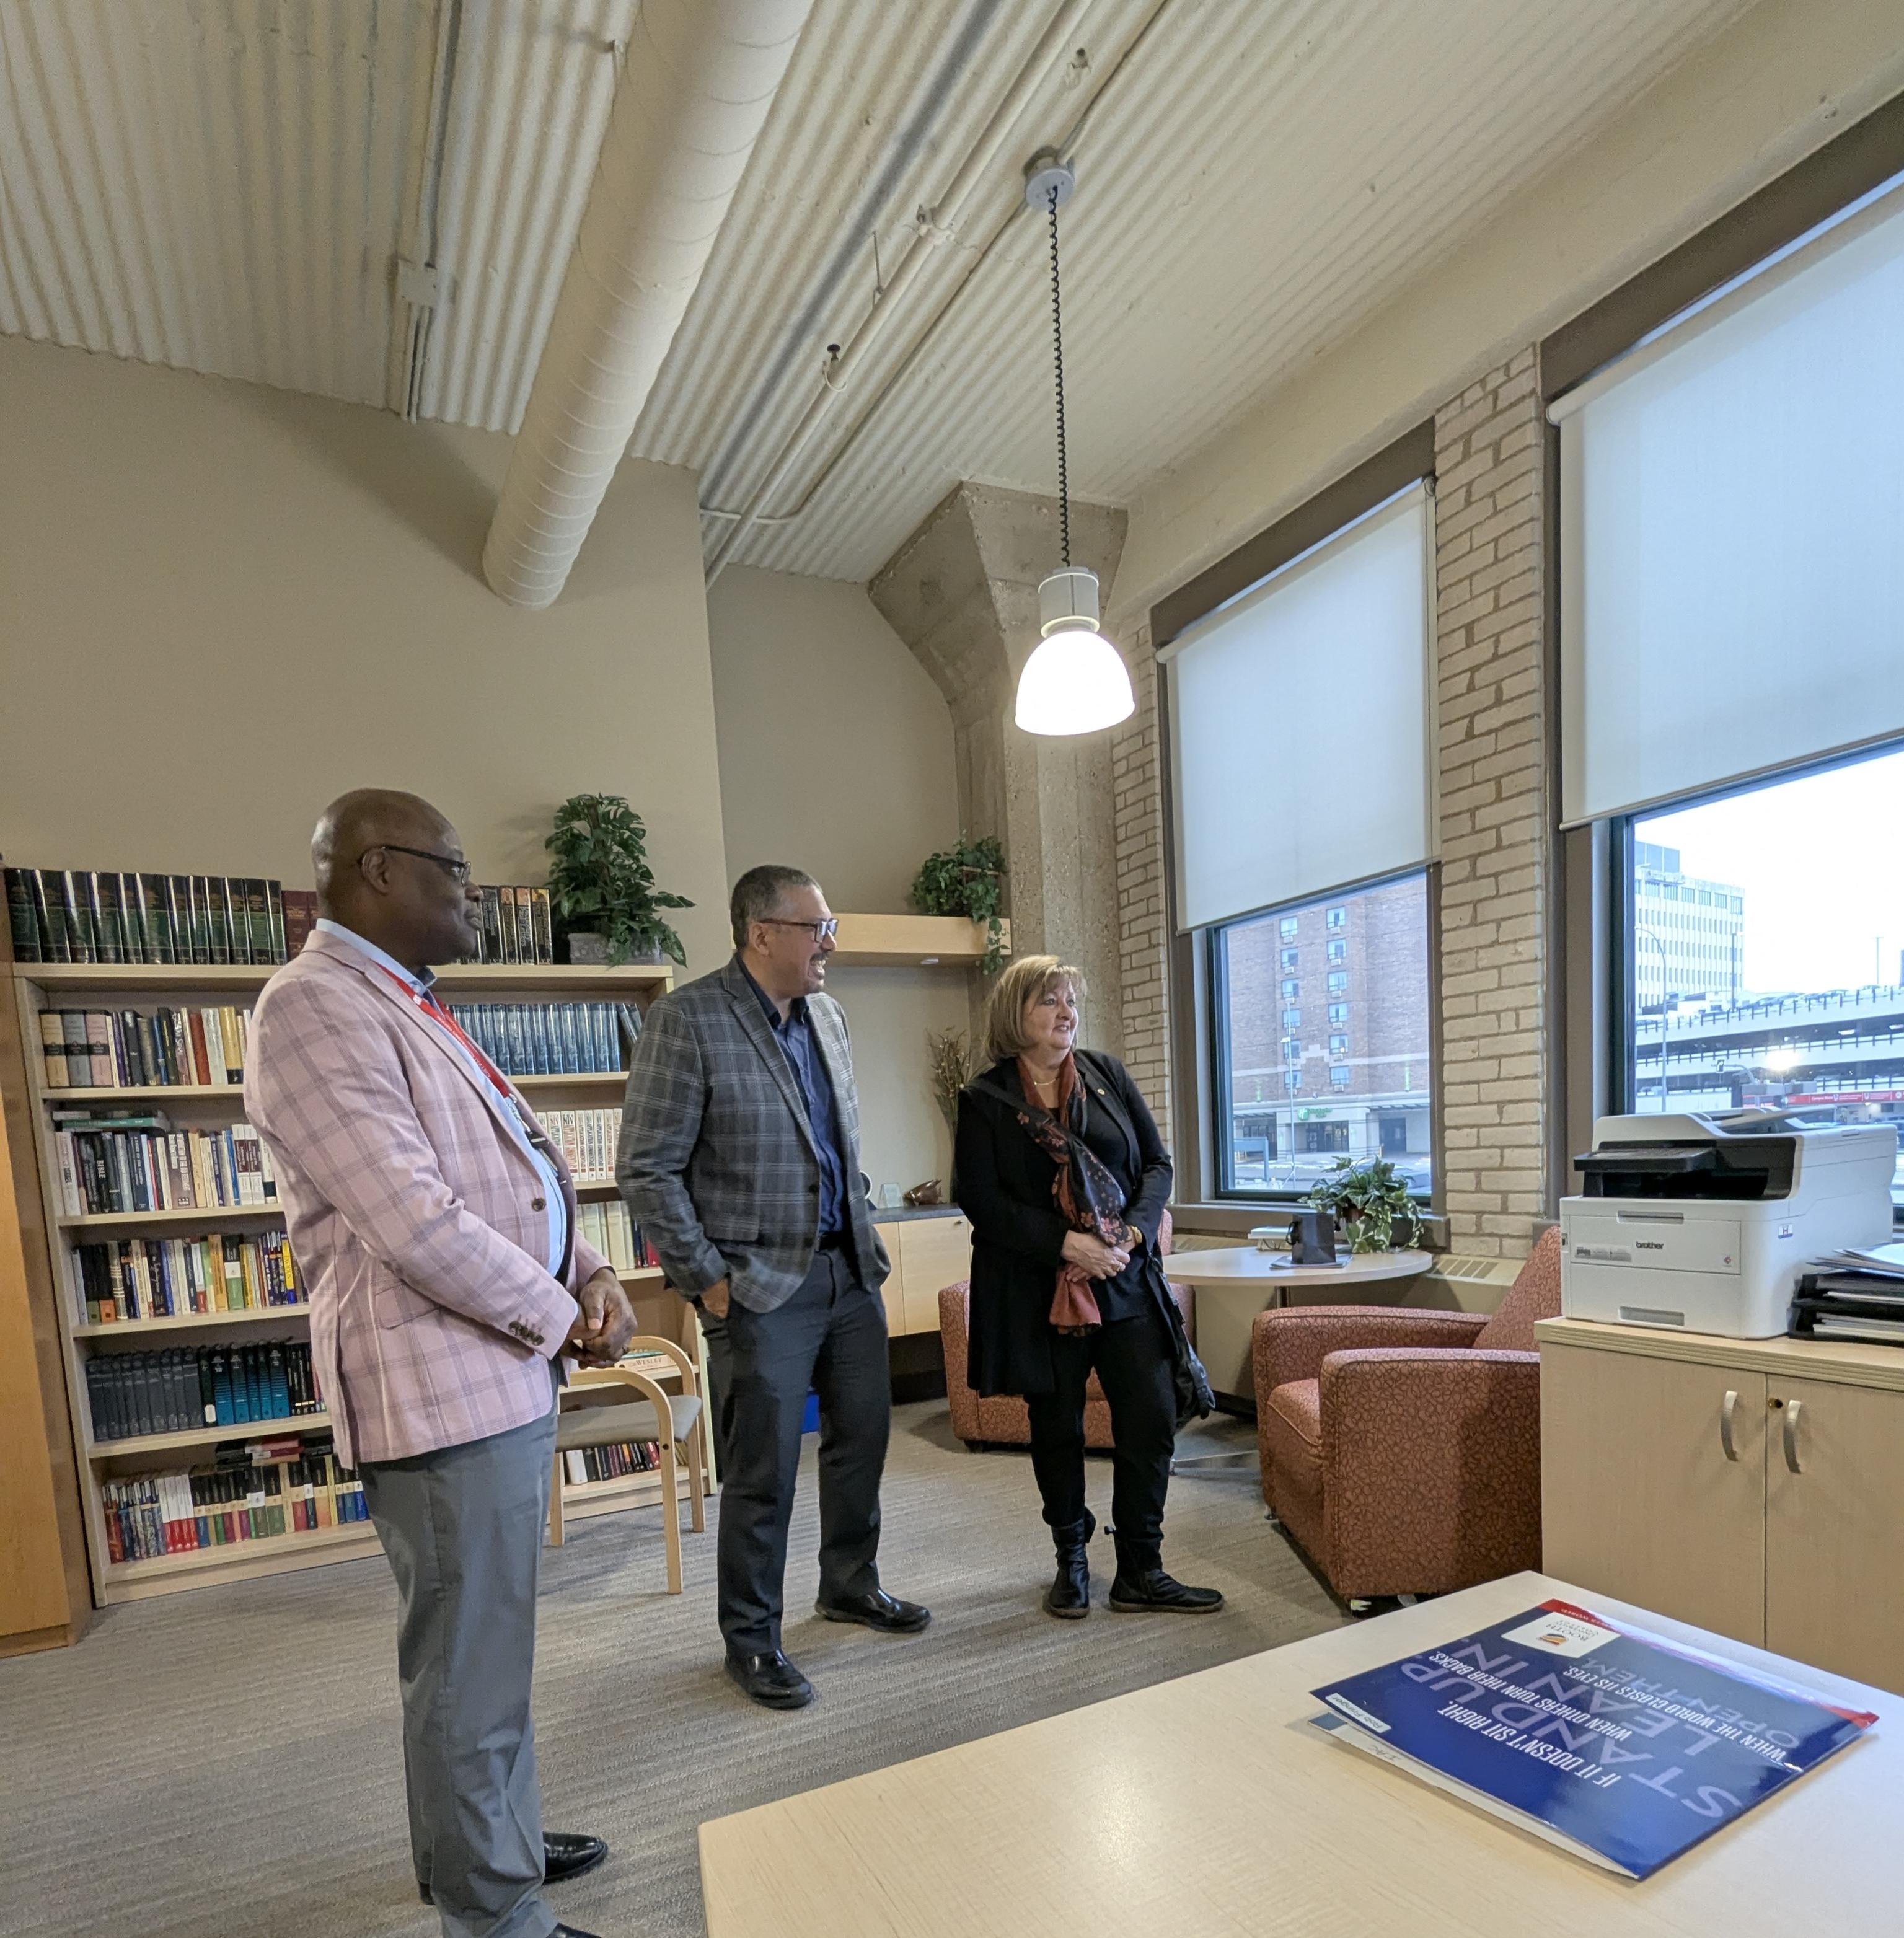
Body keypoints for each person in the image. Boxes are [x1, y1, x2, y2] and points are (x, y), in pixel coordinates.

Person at [245, 789, 637, 1938]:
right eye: (454, 870)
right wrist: (561, 1315)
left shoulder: (402, 1000)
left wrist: (592, 1270)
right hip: (438, 1398)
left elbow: (521, 1171)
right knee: (467, 1666)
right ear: (376, 867)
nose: (474, 892)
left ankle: (479, 1848)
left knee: (482, 1648)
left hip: (489, 1376)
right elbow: (414, 1223)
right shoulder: (312, 1008)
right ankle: (494, 1908)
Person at [617, 864, 928, 1710]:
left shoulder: (828, 1014)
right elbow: (647, 1168)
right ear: (761, 932)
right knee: (764, 1472)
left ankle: (850, 1583)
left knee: (861, 1440)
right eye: (816, 926)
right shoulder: (686, 1019)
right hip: (758, 1287)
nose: (831, 942)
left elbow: (837, 1144)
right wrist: (710, 1282)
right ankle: (752, 1639)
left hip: (848, 1270)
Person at [954, 954, 1222, 1620]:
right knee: (1057, 1425)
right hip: (1040, 1288)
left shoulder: (1107, 1075)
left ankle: (1141, 1566)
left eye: (1071, 1001)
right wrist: (1065, 1243)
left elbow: (1156, 1164)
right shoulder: (984, 1098)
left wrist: (1131, 1233)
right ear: (1015, 1015)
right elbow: (979, 1198)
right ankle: (1071, 1562)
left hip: (1124, 1280)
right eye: (1050, 1002)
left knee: (1151, 1417)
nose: (1066, 1013)